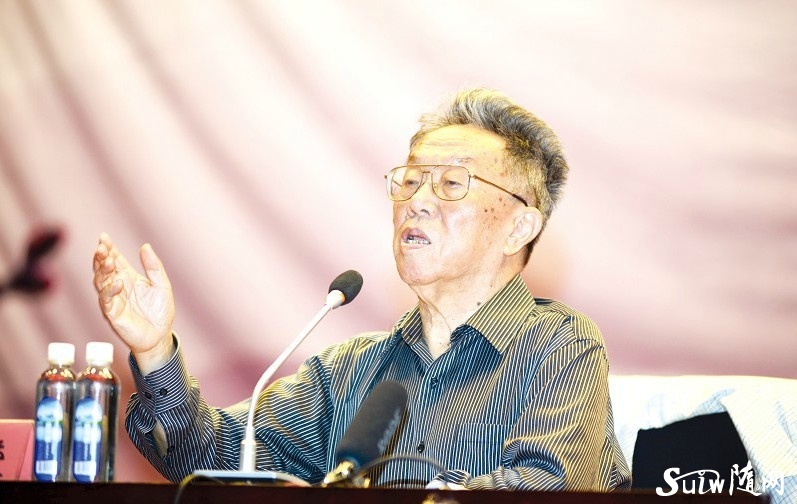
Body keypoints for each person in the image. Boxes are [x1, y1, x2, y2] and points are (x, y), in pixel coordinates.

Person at [92, 88, 631, 490]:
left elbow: (545, 487)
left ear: (519, 227)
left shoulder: (561, 346)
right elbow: (215, 461)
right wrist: (154, 349)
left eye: (451, 183)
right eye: (410, 181)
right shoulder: (349, 371)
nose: (417, 201)